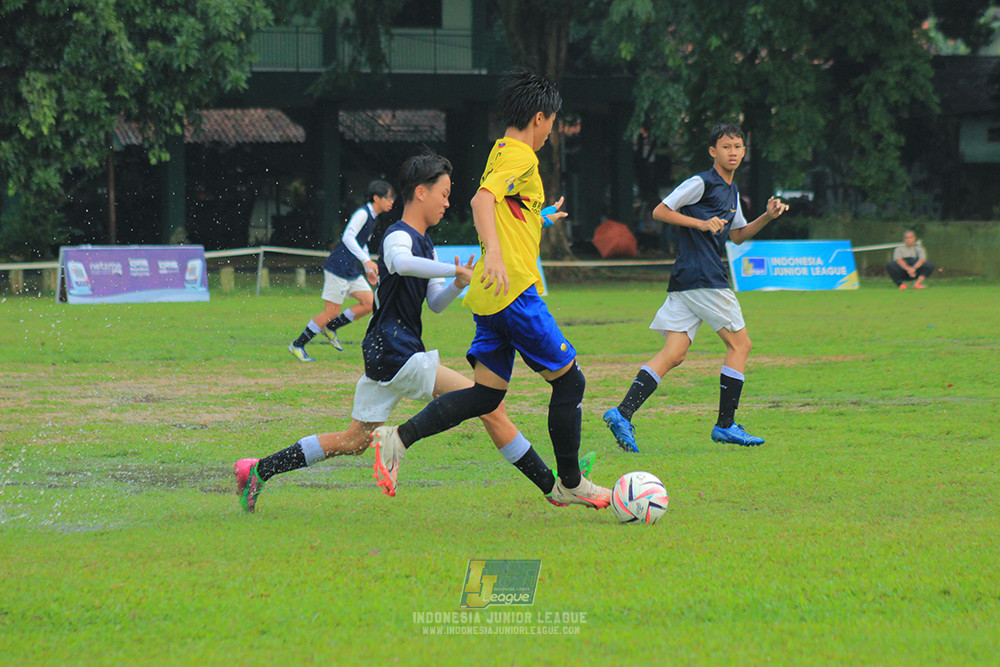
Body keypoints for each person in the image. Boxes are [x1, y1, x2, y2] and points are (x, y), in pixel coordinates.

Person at [236, 153, 597, 513]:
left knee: (353, 440)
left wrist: (455, 282)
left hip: (385, 352)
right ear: (420, 193)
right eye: (443, 193)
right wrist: (445, 268)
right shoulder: (398, 236)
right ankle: (554, 487)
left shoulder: (425, 243)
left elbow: (436, 303)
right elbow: (398, 262)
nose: (447, 202)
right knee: (491, 405)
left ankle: (258, 470)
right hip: (396, 351)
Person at [369, 67, 612, 510]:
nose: (551, 133)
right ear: (539, 118)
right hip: (514, 290)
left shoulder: (500, 152)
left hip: (487, 295)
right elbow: (482, 201)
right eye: (553, 124)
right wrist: (497, 256)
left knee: (486, 395)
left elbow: (501, 207)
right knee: (570, 382)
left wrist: (538, 217)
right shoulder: (522, 157)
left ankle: (398, 438)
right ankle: (571, 483)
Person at [603, 123, 789, 451]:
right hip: (704, 276)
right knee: (740, 346)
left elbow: (737, 234)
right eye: (726, 146)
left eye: (738, 147)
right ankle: (726, 425)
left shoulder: (731, 192)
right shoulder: (700, 182)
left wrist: (767, 217)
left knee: (674, 353)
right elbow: (660, 211)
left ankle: (622, 413)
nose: (733, 152)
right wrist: (701, 223)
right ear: (712, 151)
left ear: (744, 151)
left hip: (688, 279)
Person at [288, 180, 395, 362]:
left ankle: (331, 327)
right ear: (377, 198)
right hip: (338, 267)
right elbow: (348, 237)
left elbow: (362, 243)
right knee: (331, 311)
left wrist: (367, 266)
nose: (392, 201)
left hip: (351, 269)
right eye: (388, 197)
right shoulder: (363, 213)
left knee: (369, 303)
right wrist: (366, 260)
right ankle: (298, 344)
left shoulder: (374, 217)